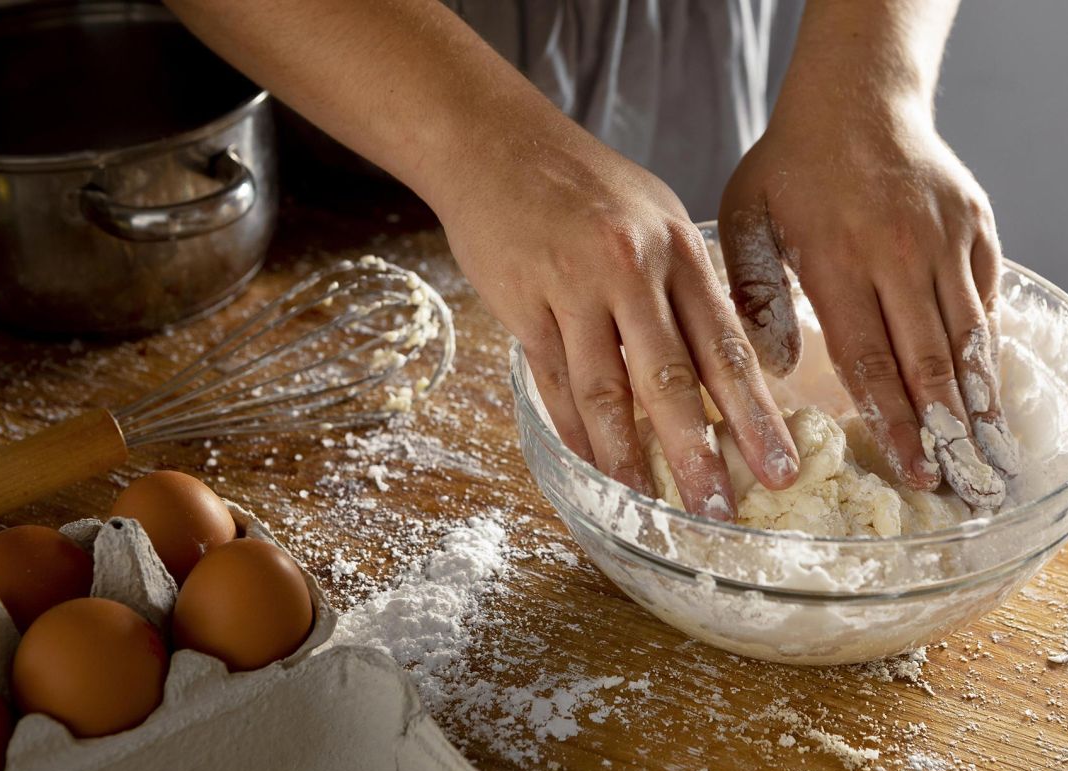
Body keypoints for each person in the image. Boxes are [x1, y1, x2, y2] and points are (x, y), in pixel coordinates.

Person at [167, 0, 1016, 518]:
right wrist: (479, 142)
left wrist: (872, 80)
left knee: (690, 310)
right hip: (359, 81)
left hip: (679, 40)